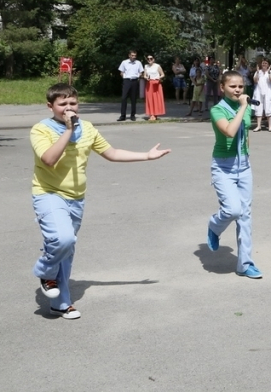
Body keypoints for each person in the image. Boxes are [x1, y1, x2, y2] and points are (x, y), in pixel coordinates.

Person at [32, 83, 170, 319]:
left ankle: (61, 303)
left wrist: (146, 156)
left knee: (67, 250)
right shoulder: (41, 130)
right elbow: (48, 159)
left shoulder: (87, 128)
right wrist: (67, 130)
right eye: (62, 104)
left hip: (77, 198)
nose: (68, 108)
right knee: (62, 238)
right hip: (49, 193)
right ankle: (45, 271)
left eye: (72, 103)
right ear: (50, 106)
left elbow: (112, 153)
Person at [206, 71, 262, 278]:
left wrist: (246, 155)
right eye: (233, 86)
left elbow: (244, 134)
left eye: (241, 86)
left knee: (245, 216)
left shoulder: (243, 108)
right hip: (223, 167)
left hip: (244, 167)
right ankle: (214, 225)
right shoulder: (217, 110)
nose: (238, 90)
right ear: (222, 88)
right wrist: (243, 107)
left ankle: (245, 264)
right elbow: (229, 131)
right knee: (232, 210)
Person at [118, 50, 143, 121]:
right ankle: (123, 116)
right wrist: (124, 77)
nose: (133, 57)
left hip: (134, 81)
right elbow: (121, 72)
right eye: (132, 55)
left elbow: (141, 72)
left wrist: (138, 76)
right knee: (124, 98)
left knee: (133, 99)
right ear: (129, 55)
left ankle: (133, 115)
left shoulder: (138, 63)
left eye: (135, 56)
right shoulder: (124, 62)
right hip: (126, 81)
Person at [253, 59, 271, 132]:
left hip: (268, 92)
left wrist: (268, 72)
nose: (264, 64)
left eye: (266, 63)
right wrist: (257, 72)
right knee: (258, 108)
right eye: (263, 63)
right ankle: (258, 126)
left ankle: (270, 125)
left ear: (268, 65)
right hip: (259, 91)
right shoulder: (258, 72)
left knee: (268, 108)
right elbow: (255, 81)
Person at [143, 54, 166, 121]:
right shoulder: (146, 66)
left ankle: (155, 114)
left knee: (156, 99)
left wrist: (158, 78)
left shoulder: (157, 66)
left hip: (156, 83)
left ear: (154, 59)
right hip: (149, 83)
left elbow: (163, 74)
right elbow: (144, 75)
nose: (149, 60)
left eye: (151, 58)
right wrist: (146, 78)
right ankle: (151, 114)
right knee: (150, 99)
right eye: (148, 59)